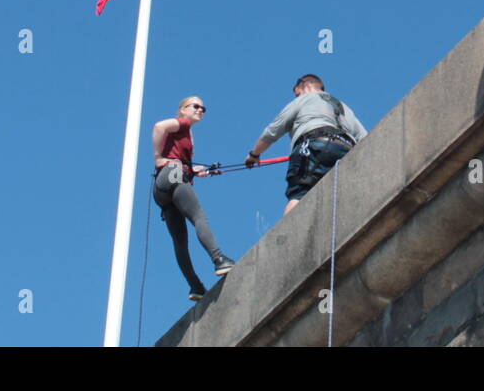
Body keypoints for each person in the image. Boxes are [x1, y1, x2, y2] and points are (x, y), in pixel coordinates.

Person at [151, 96, 235, 302]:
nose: (200, 110)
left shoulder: (186, 134)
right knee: (199, 217)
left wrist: (197, 171)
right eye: (195, 106)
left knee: (180, 241)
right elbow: (159, 126)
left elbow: (181, 164)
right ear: (182, 110)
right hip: (171, 173)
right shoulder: (182, 123)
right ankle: (219, 259)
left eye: (203, 108)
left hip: (162, 187)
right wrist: (158, 157)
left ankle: (195, 285)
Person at [246, 74, 368, 216]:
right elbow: (364, 138)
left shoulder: (304, 100)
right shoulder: (344, 108)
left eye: (297, 94)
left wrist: (254, 154)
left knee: (299, 195)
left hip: (313, 146)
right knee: (336, 199)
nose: (297, 97)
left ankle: (289, 236)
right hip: (345, 150)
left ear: (306, 85)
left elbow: (272, 132)